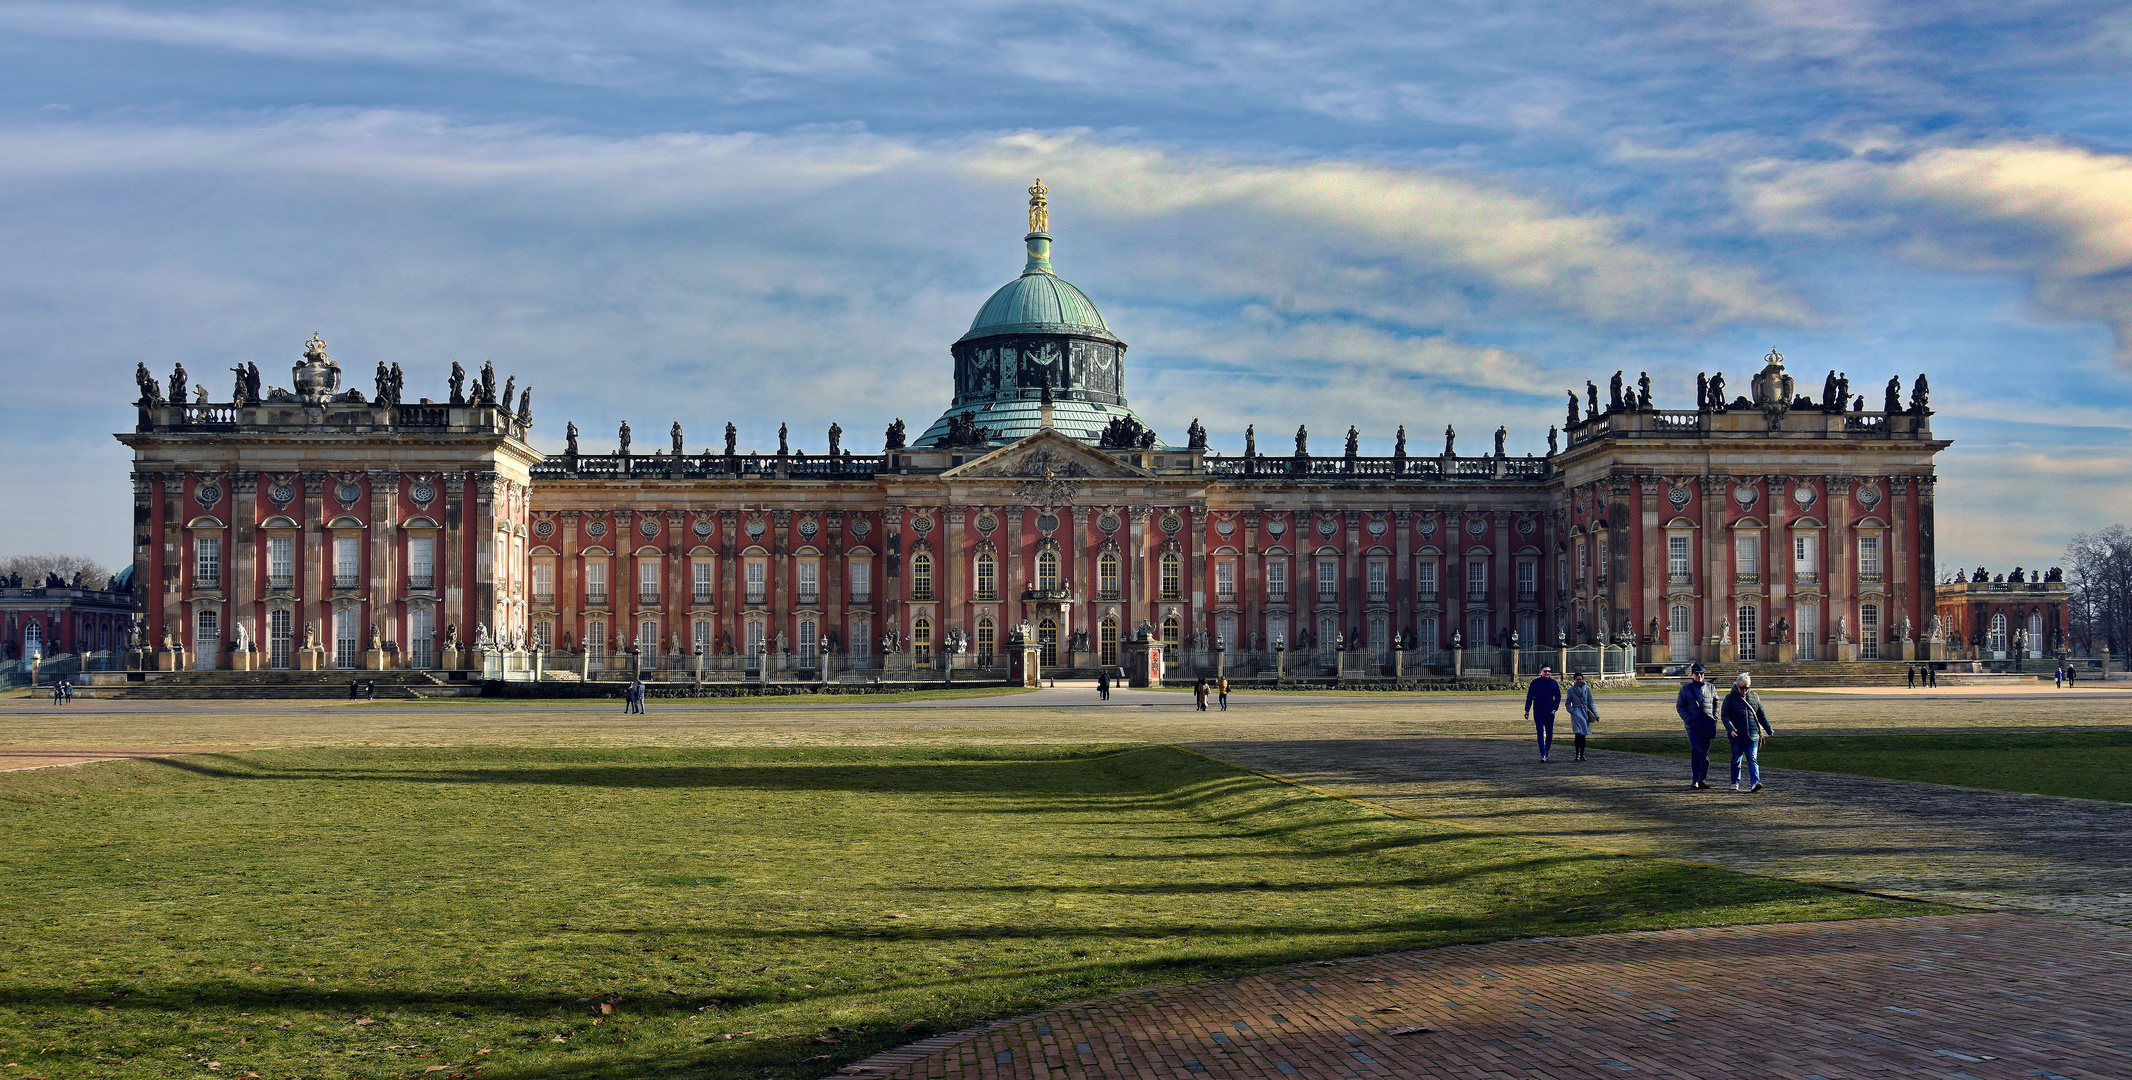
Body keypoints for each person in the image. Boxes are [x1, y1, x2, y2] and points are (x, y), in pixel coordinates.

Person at [1723, 672, 1775, 792]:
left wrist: (1768, 729)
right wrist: (1730, 729)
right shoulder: (1729, 698)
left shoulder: (1754, 696)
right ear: (1737, 685)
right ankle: (1735, 782)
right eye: (1742, 688)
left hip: (1753, 735)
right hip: (1737, 735)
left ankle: (1755, 783)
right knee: (1736, 759)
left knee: (1752, 759)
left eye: (1747, 688)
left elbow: (1761, 714)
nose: (1745, 690)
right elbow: (1725, 716)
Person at [1674, 663, 1718, 789]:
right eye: (1697, 674)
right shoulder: (1686, 689)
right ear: (1692, 675)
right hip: (1693, 726)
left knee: (1705, 754)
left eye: (1702, 674)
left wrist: (1715, 717)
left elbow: (1716, 702)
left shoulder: (1711, 687)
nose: (1699, 676)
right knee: (1697, 750)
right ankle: (1695, 779)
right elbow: (1680, 706)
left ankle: (1702, 778)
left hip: (1707, 725)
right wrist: (1689, 719)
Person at [1524, 665, 1562, 762]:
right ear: (1541, 671)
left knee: (1549, 734)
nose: (1547, 673)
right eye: (1545, 671)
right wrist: (1527, 710)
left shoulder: (1554, 683)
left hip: (1550, 711)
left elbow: (1558, 697)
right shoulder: (1535, 683)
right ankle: (1543, 754)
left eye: (1549, 671)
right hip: (1538, 711)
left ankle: (1547, 750)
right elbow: (1529, 697)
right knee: (1540, 733)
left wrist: (1555, 709)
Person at [1564, 671, 1598, 761]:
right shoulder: (1571, 690)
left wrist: (1596, 714)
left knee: (1583, 735)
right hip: (1576, 713)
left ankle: (1582, 754)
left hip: (1584, 713)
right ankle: (1577, 754)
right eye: (1577, 679)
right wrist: (1572, 711)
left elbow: (1591, 703)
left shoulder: (1587, 689)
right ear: (1574, 680)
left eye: (1580, 679)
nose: (1579, 681)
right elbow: (1567, 703)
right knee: (1578, 734)